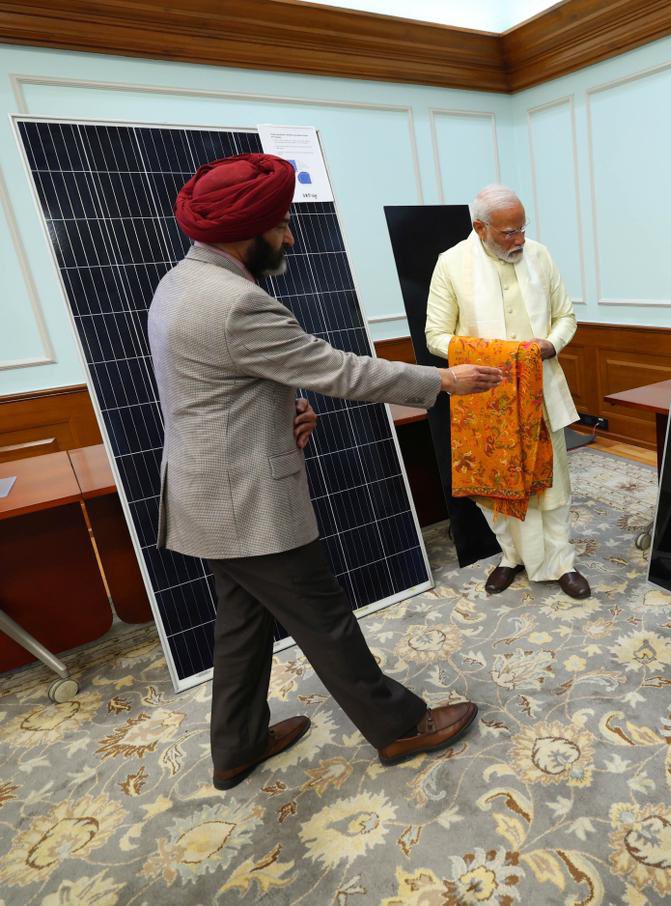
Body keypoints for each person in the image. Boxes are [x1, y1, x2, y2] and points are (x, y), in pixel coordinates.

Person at [148, 152, 503, 790]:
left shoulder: (180, 281)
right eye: (280, 225)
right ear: (244, 231)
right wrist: (444, 380)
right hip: (245, 502)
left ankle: (237, 745)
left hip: (205, 493)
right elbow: (341, 369)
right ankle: (399, 725)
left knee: (241, 625)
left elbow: (217, 388)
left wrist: (284, 408)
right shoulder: (236, 302)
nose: (289, 237)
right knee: (325, 618)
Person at [426, 185, 590, 600]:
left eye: (522, 229)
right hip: (488, 399)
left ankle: (562, 563)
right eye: (508, 232)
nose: (519, 239)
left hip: (541, 391)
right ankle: (511, 557)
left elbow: (565, 316)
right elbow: (435, 336)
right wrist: (496, 357)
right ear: (480, 227)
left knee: (553, 483)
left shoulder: (540, 255)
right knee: (497, 486)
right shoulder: (451, 264)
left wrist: (550, 344)